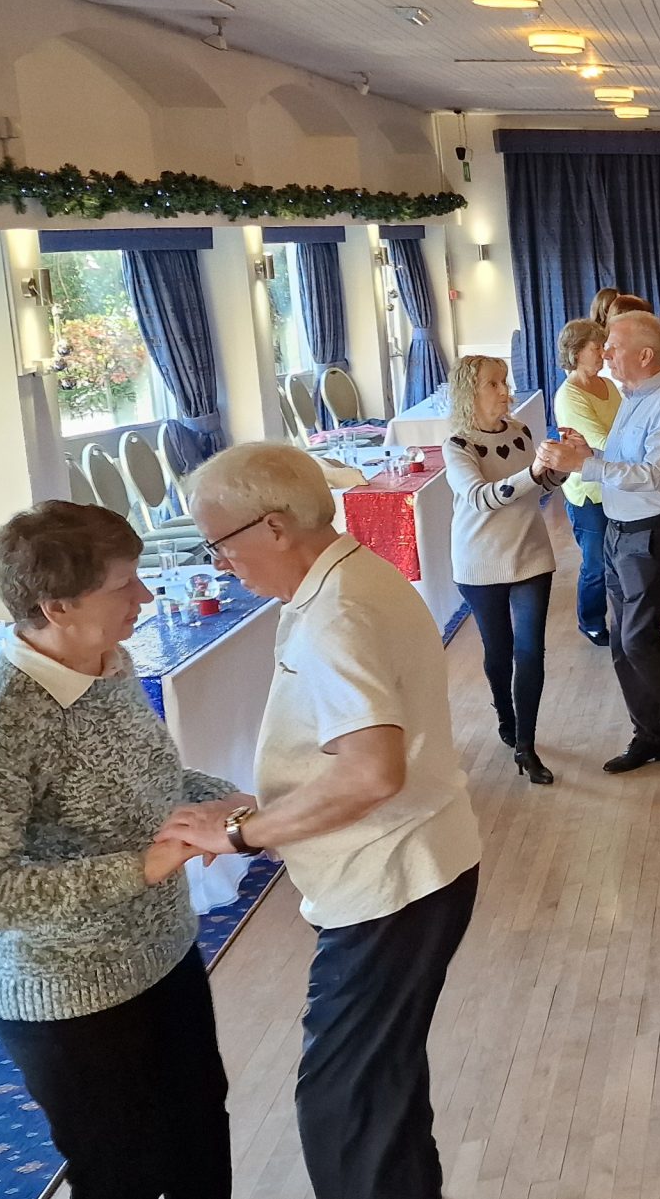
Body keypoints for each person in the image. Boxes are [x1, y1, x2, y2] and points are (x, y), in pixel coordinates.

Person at [166, 442, 482, 1199]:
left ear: (274, 526)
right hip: (408, 868)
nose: (220, 564)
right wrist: (263, 808)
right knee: (377, 1097)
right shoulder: (343, 580)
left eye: (220, 543)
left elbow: (371, 771)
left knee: (345, 1113)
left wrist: (241, 833)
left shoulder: (337, 612)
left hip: (391, 881)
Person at [0, 500, 244, 1198]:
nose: (145, 596)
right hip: (66, 993)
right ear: (58, 607)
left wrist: (224, 799)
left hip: (159, 951)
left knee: (200, 1133)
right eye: (124, 584)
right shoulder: (0, 721)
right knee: (121, 1172)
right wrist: (143, 867)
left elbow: (150, 779)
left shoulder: (107, 661)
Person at [537, 311, 660, 772]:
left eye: (614, 347)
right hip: (620, 530)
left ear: (644, 355)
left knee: (639, 639)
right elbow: (623, 461)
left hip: (653, 532)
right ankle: (650, 736)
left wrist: (583, 466)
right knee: (622, 643)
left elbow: (654, 475)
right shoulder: (633, 397)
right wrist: (590, 453)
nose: (605, 354)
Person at [445, 353, 565, 785]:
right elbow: (481, 497)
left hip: (531, 554)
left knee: (531, 651)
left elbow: (539, 488)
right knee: (499, 652)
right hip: (479, 561)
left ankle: (526, 746)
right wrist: (535, 472)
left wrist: (559, 468)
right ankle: (505, 717)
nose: (505, 391)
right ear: (470, 393)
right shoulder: (457, 446)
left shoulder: (520, 432)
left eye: (504, 382)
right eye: (493, 384)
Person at [554, 318, 620, 647]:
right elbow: (601, 441)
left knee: (618, 558)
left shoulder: (608, 386)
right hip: (589, 492)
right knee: (596, 564)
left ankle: (623, 618)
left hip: (616, 484)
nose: (604, 353)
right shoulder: (569, 396)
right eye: (597, 348)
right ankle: (591, 621)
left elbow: (626, 426)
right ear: (577, 352)